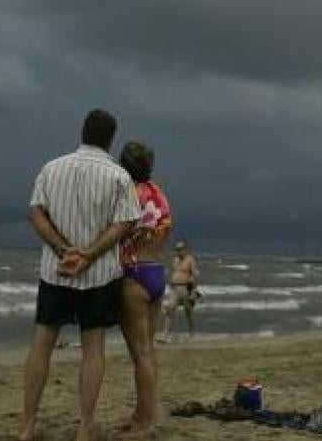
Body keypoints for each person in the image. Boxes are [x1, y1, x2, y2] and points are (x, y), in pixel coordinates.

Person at [20, 109, 142, 441]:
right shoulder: (119, 177)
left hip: (55, 270)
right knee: (93, 348)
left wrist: (63, 249)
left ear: (83, 131)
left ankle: (28, 426)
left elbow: (35, 212)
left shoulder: (51, 167)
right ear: (111, 138)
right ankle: (84, 427)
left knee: (41, 344)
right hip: (99, 273)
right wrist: (88, 254)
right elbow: (125, 223)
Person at [116, 141, 173, 438]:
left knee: (140, 354)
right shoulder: (158, 193)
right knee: (147, 351)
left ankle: (146, 422)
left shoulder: (128, 194)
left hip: (134, 273)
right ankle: (142, 413)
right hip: (156, 271)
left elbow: (117, 232)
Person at [161, 240, 200, 340]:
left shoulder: (190, 260)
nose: (178, 251)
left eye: (180, 249)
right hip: (174, 289)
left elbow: (195, 275)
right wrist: (170, 285)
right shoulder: (175, 260)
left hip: (186, 288)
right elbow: (174, 273)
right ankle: (165, 334)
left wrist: (194, 291)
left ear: (185, 249)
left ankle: (192, 333)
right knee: (170, 309)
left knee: (188, 312)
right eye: (177, 249)